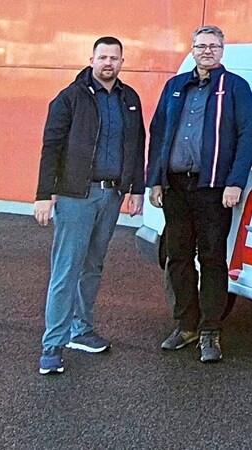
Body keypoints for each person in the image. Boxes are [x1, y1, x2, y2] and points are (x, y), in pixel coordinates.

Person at [146, 25, 252, 363]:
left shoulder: (235, 87)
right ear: (192, 50)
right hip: (176, 188)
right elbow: (159, 132)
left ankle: (211, 331)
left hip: (213, 190)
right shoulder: (175, 86)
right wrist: (154, 180)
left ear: (222, 51)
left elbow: (247, 135)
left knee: (212, 259)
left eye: (213, 46)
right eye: (200, 46)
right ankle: (186, 325)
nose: (206, 51)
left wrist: (235, 182)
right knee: (177, 257)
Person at [35, 36, 146, 375]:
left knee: (93, 266)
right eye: (102, 57)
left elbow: (137, 144)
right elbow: (51, 147)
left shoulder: (129, 98)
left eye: (114, 57)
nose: (108, 63)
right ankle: (52, 346)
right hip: (76, 195)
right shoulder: (70, 98)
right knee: (66, 270)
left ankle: (80, 330)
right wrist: (43, 194)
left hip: (111, 196)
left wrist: (136, 189)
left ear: (122, 62)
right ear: (92, 59)